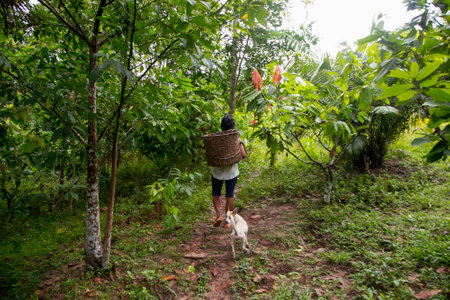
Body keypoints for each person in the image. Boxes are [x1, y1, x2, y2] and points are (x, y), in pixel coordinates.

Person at [211, 115, 247, 227]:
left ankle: (218, 216)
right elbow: (243, 154)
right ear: (232, 126)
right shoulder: (235, 138)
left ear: (221, 126)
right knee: (229, 194)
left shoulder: (214, 138)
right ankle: (228, 221)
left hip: (217, 172)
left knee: (216, 194)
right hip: (231, 172)